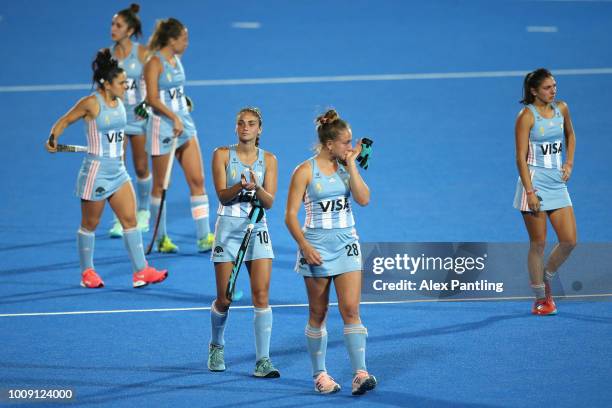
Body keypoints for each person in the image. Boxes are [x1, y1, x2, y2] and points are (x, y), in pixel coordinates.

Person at [45, 49, 167, 288]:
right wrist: (53, 137)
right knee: (89, 225)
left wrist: (144, 114)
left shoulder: (120, 101)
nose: (126, 86)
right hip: (96, 173)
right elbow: (65, 120)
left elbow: (125, 127)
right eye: (122, 83)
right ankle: (87, 272)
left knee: (130, 220)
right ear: (107, 84)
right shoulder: (91, 103)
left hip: (119, 173)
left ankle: (141, 272)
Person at [285, 109, 377, 395]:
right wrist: (305, 246)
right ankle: (320, 375)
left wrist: (352, 166)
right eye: (346, 143)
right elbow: (289, 215)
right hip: (317, 248)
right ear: (329, 145)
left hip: (347, 243)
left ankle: (360, 373)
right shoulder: (304, 171)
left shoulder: (345, 168)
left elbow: (363, 199)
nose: (352, 147)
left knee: (351, 310)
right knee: (319, 312)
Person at [207, 107, 280, 378]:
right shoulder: (222, 155)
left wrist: (257, 189)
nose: (246, 127)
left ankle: (263, 361)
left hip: (257, 228)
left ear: (260, 129)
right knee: (224, 299)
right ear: (236, 128)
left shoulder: (270, 160)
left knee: (261, 296)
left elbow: (269, 202)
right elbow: (223, 196)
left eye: (251, 124)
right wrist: (241, 187)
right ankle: (216, 344)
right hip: (228, 230)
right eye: (241, 123)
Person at [143, 17, 214, 253]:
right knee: (162, 185)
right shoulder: (154, 63)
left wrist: (182, 104)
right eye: (184, 39)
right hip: (163, 128)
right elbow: (151, 99)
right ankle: (161, 238)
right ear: (171, 40)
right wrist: (172, 116)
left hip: (185, 126)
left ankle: (204, 237)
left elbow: (174, 91)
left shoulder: (176, 59)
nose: (187, 43)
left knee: (198, 181)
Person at [513, 68, 577, 315]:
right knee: (538, 243)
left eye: (554, 86)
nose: (553, 91)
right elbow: (520, 157)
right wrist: (529, 191)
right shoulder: (526, 117)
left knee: (569, 240)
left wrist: (569, 162)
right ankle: (541, 297)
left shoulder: (562, 109)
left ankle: (546, 276)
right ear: (534, 91)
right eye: (547, 88)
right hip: (535, 184)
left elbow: (570, 135)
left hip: (557, 183)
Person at [108, 3, 152, 238]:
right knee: (118, 169)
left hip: (139, 119)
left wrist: (146, 105)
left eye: (118, 25)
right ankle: (120, 216)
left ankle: (143, 212)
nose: (113, 28)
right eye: (112, 24)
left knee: (141, 167)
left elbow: (154, 81)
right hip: (117, 120)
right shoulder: (107, 56)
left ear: (130, 29)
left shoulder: (143, 53)